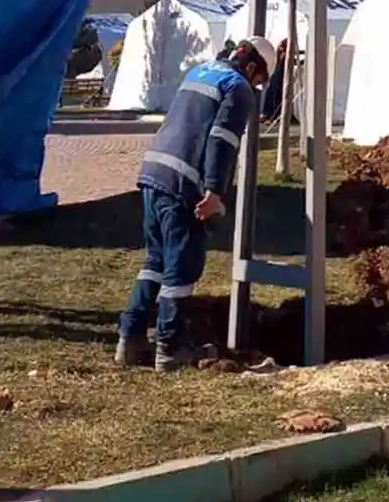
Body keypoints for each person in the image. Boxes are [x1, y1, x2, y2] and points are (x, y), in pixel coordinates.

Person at [116, 35, 276, 371]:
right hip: (182, 184)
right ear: (251, 67)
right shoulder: (238, 88)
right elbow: (222, 139)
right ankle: (169, 349)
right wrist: (214, 192)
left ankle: (129, 339)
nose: (258, 88)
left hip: (153, 173)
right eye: (260, 80)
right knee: (183, 267)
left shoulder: (201, 71)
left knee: (156, 260)